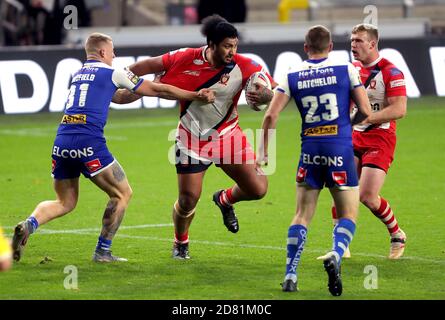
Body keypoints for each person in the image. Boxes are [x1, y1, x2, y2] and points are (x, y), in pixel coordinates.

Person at [11, 32, 215, 263]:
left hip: (62, 142)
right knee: (122, 193)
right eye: (112, 50)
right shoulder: (112, 72)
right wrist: (195, 95)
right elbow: (160, 92)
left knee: (65, 202)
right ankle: (102, 251)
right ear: (102, 52)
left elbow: (119, 98)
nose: (115, 54)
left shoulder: (79, 74)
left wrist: (156, 82)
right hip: (88, 142)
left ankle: (29, 224)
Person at [129, 14, 276, 259]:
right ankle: (180, 242)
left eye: (235, 46)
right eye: (227, 46)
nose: (232, 51)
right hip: (191, 139)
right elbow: (143, 67)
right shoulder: (185, 57)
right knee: (187, 200)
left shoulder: (245, 65)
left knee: (258, 189)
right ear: (212, 44)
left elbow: (275, 90)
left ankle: (224, 199)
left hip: (229, 136)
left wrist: (267, 96)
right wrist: (120, 79)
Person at [258, 25, 372, 296]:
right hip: (340, 150)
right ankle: (336, 252)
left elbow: (270, 116)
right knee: (348, 214)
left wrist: (263, 153)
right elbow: (365, 112)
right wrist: (348, 123)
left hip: (309, 151)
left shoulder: (291, 74)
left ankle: (290, 274)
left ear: (305, 47)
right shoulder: (346, 69)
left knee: (302, 215)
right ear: (330, 47)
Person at [330, 23, 408, 260]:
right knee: (340, 187)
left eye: (359, 41)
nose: (353, 45)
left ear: (373, 44)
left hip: (380, 137)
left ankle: (397, 234)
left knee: (367, 196)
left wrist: (366, 116)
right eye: (352, 40)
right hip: (353, 137)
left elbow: (400, 109)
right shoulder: (350, 69)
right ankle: (339, 244)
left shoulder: (391, 72)